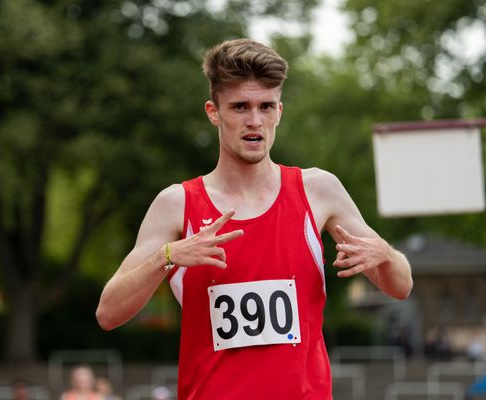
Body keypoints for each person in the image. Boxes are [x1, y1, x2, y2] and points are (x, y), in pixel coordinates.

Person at [96, 38, 413, 398]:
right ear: (214, 112)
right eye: (240, 107)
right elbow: (108, 313)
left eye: (265, 106)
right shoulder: (177, 204)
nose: (254, 121)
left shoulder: (318, 190)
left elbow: (400, 286)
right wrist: (166, 257)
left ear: (279, 111)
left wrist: (385, 254)